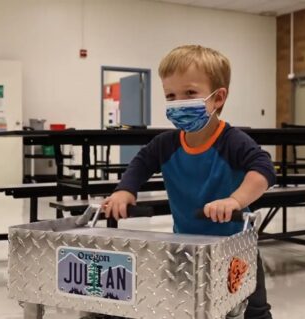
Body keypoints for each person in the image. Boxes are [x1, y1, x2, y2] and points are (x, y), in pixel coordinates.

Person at [103, 45, 275, 319]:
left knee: (252, 310)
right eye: (170, 95)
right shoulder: (166, 144)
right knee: (185, 308)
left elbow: (264, 170)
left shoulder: (232, 141)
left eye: (190, 93)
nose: (178, 102)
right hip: (185, 249)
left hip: (236, 249)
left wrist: (235, 200)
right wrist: (125, 190)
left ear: (218, 98)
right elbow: (141, 163)